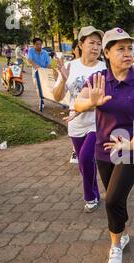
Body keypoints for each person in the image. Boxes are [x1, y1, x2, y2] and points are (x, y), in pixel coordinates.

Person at [74, 27, 134, 263]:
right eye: (121, 48)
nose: (128, 53)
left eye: (130, 48)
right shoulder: (98, 80)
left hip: (131, 150)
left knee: (112, 200)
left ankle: (115, 245)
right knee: (116, 199)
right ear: (107, 53)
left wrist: (131, 144)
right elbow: (78, 103)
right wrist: (92, 102)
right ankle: (123, 232)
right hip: (104, 151)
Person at [53, 26, 106, 213]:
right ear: (81, 44)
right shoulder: (70, 66)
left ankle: (90, 197)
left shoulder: (104, 69)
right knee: (85, 166)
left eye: (99, 44)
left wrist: (89, 105)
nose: (96, 47)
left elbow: (104, 100)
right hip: (75, 123)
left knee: (84, 158)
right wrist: (63, 78)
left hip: (96, 123)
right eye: (91, 43)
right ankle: (96, 193)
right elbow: (58, 96)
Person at [69, 39, 83, 165]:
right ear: (74, 50)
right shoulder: (70, 66)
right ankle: (75, 150)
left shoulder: (98, 65)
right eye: (78, 48)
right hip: (75, 109)